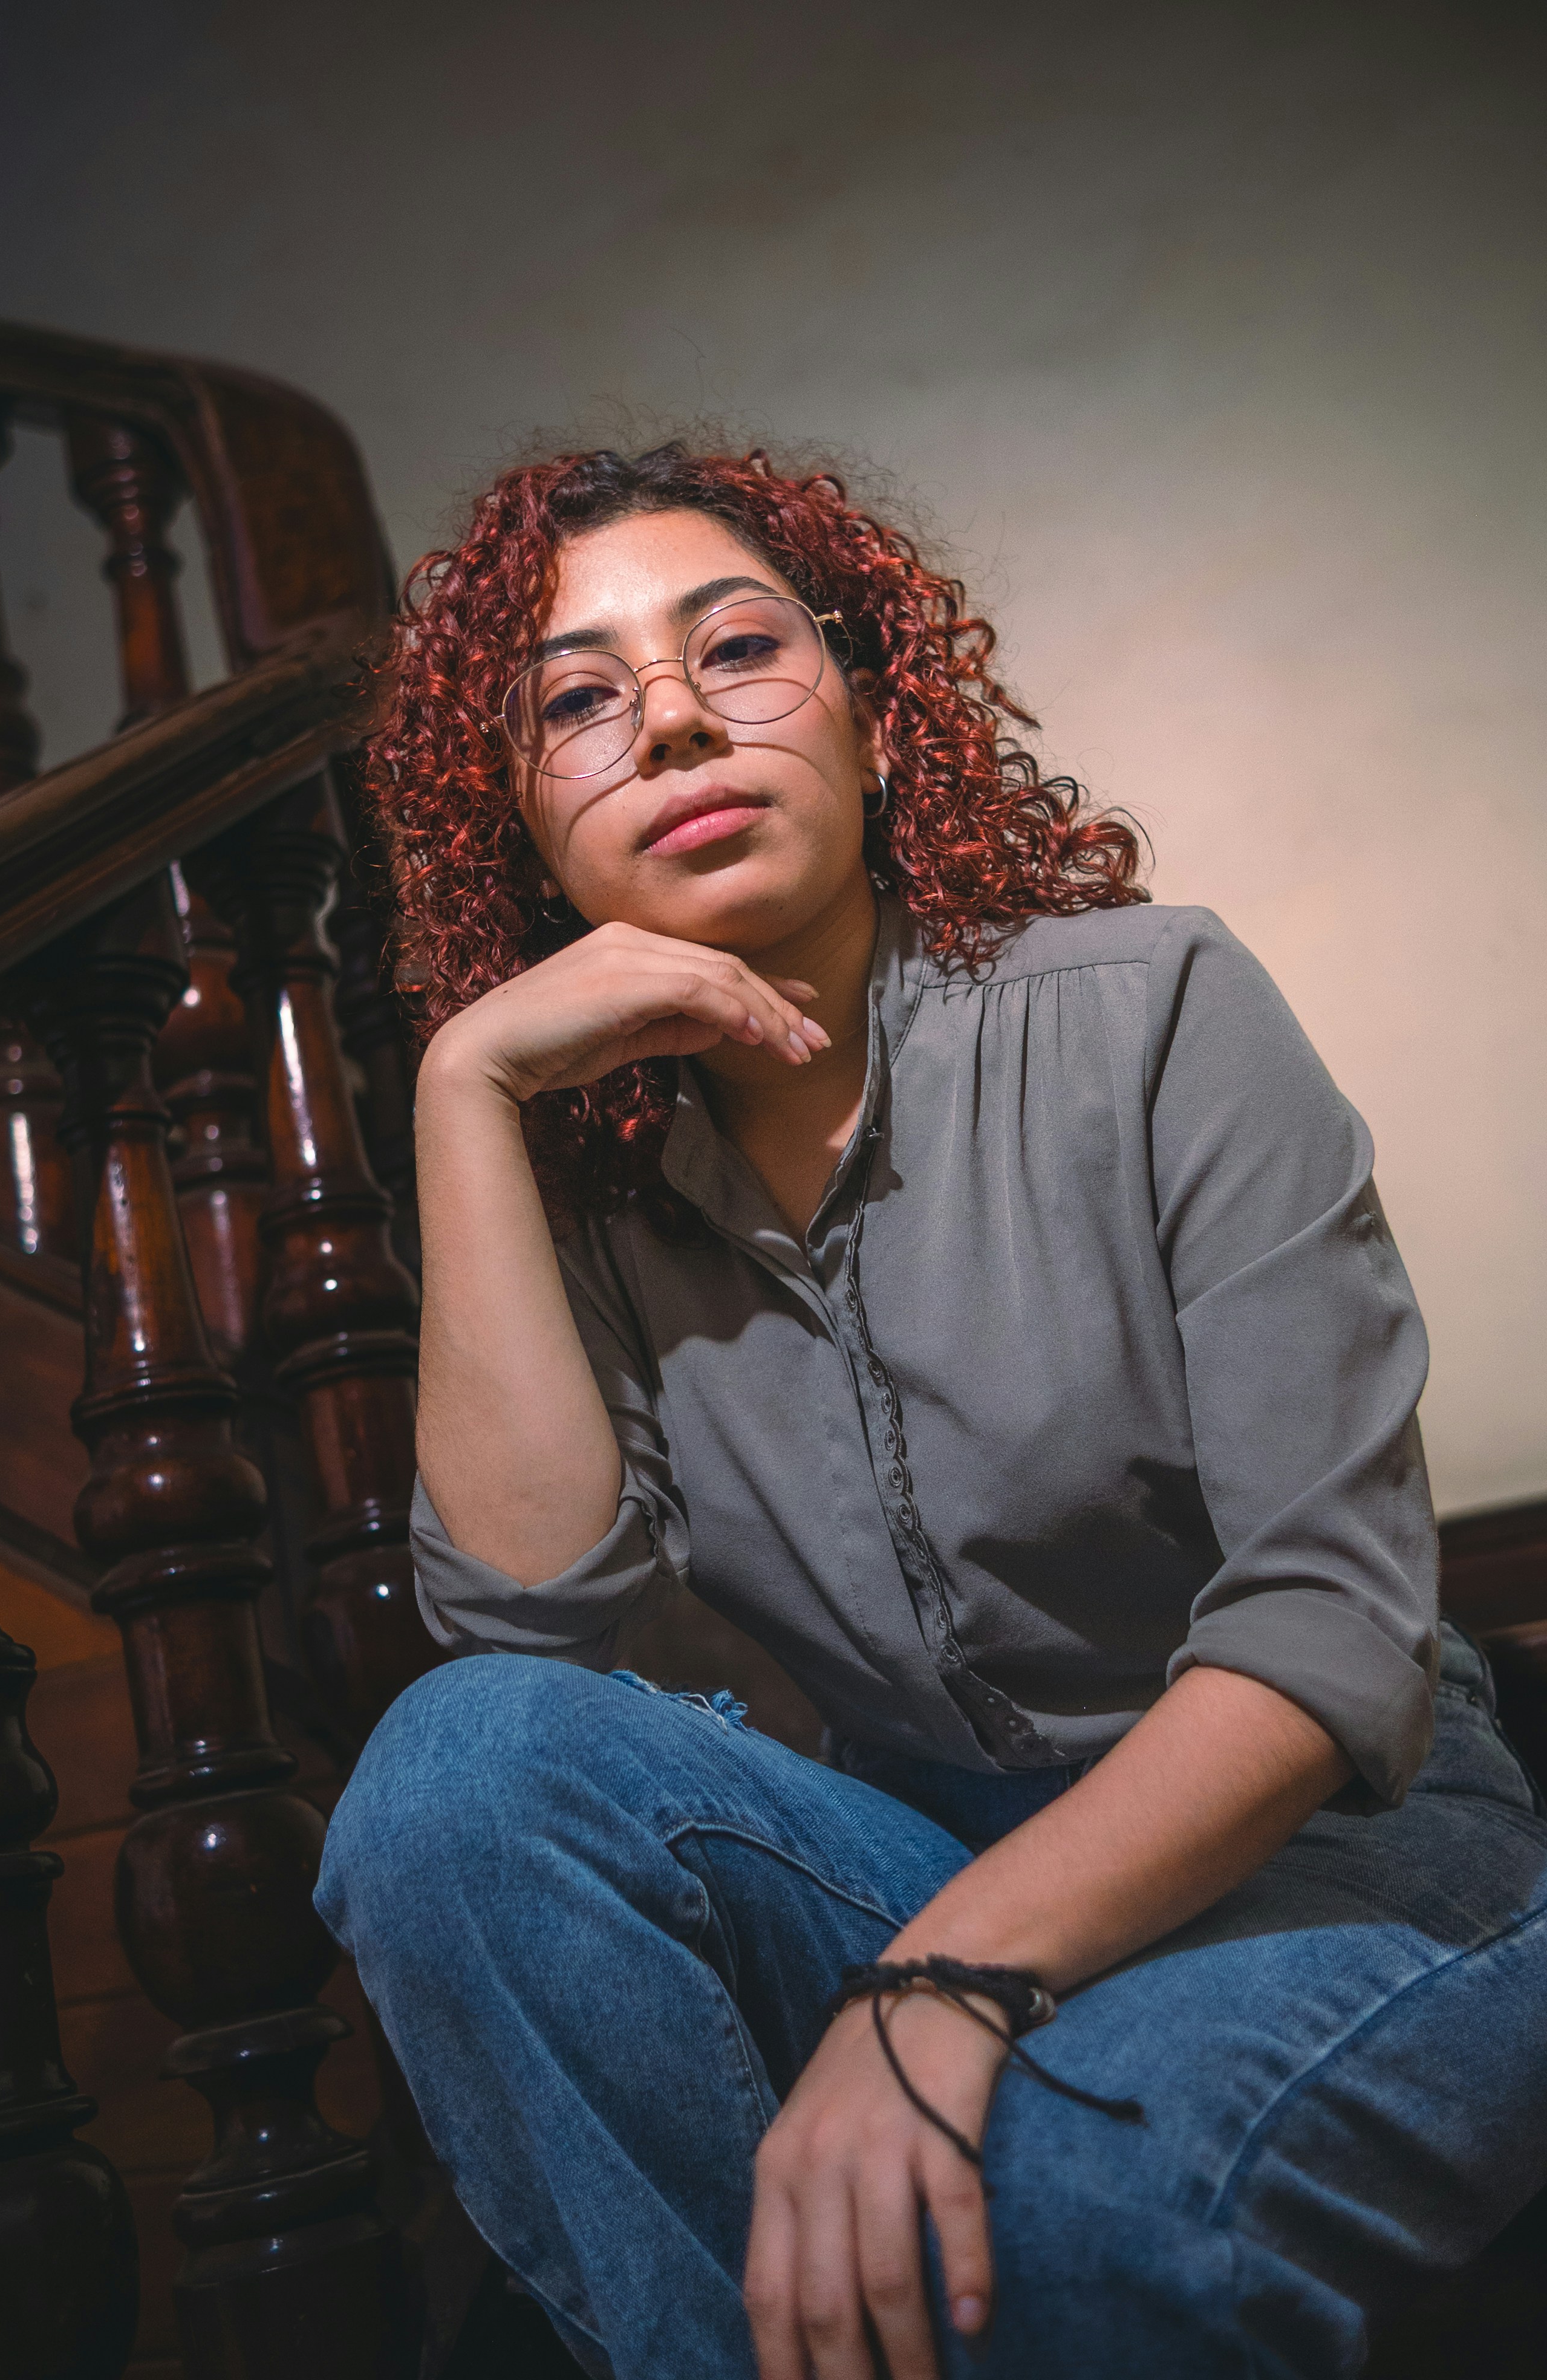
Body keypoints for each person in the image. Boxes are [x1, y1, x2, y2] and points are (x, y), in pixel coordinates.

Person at [314, 443, 1547, 2380]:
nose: (669, 722)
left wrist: (932, 1989)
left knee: (1050, 2223)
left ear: (883, 735)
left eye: (737, 649)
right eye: (574, 700)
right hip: (919, 1856)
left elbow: (1330, 1634)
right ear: (527, 848)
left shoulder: (1153, 1011)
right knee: (453, 1772)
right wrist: (464, 1094)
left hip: (1343, 1863)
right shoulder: (590, 1186)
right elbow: (522, 1643)